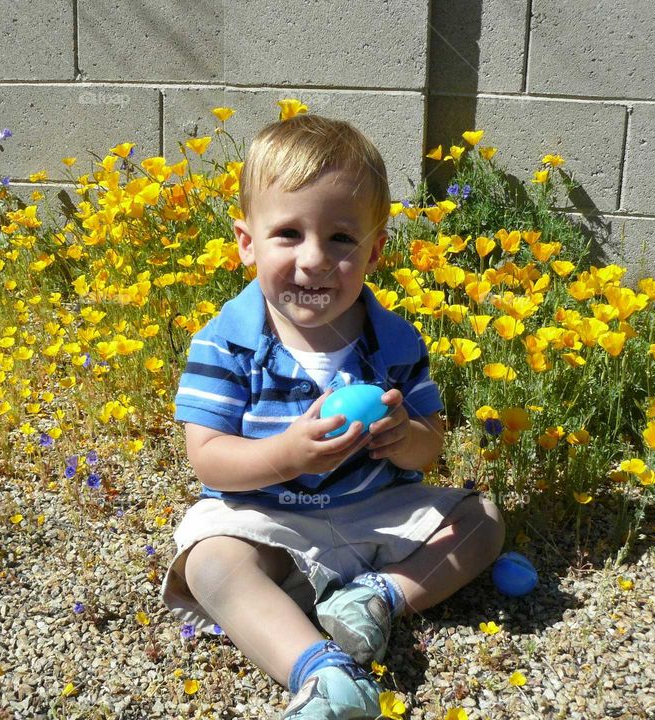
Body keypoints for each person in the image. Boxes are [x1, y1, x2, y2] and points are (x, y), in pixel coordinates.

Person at [162, 114, 505, 719]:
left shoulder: (394, 341)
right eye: (289, 234)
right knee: (211, 562)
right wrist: (284, 455)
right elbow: (208, 456)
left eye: (342, 239)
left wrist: (406, 439)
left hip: (375, 513)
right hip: (270, 519)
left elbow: (433, 444)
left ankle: (376, 599)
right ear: (247, 242)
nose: (315, 259)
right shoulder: (226, 343)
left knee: (482, 521)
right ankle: (319, 670)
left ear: (375, 250)